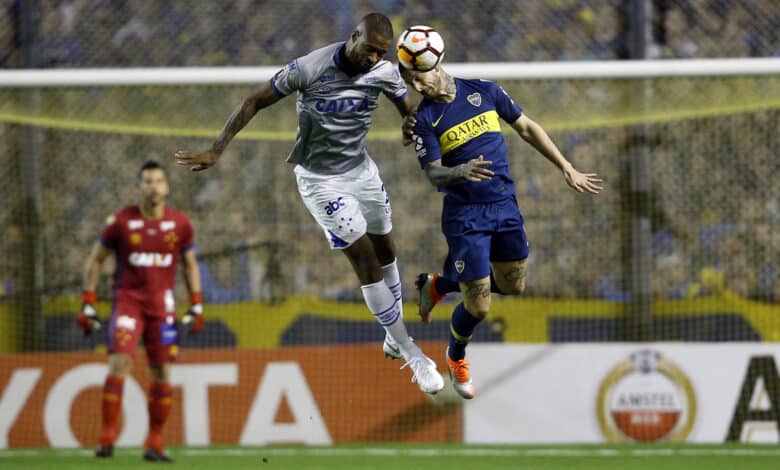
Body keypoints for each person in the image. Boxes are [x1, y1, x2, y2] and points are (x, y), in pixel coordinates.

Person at [174, 13, 444, 394]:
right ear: (353, 37)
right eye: (368, 50)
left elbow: (406, 109)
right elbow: (255, 100)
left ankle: (392, 333)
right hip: (320, 181)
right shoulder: (310, 68)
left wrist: (409, 123)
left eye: (379, 53)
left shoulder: (384, 72)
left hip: (361, 171)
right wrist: (217, 150)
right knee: (365, 258)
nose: (372, 59)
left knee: (386, 245)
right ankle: (413, 353)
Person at [399, 29, 603, 399]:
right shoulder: (424, 120)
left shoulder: (485, 91)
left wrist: (566, 167)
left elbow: (526, 127)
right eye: (409, 79)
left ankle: (439, 285)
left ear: (438, 62)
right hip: (466, 217)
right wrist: (458, 172)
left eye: (420, 75)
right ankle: (456, 354)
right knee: (479, 307)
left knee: (514, 286)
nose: (417, 84)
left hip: (505, 206)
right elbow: (432, 172)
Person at [76, 160, 204, 462]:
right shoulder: (120, 222)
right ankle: (107, 437)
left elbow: (190, 264)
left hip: (163, 308)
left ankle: (155, 443)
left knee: (162, 372)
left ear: (167, 187)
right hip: (128, 303)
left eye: (159, 181)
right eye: (148, 181)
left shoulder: (180, 224)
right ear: (140, 186)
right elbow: (95, 259)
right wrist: (88, 299)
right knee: (119, 363)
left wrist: (197, 302)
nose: (154, 186)